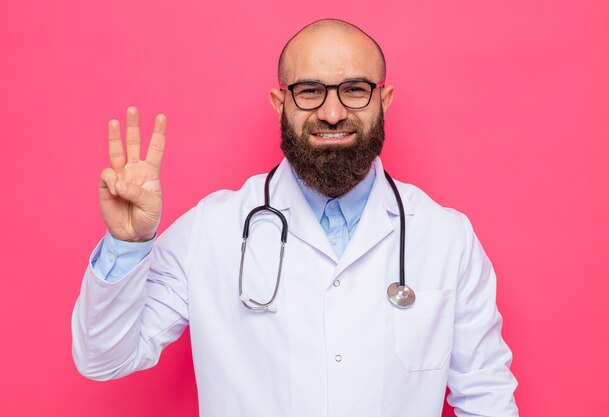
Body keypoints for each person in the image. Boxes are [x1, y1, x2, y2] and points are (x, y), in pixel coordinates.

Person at [72, 18, 519, 417]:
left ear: (384, 99)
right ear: (279, 102)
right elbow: (103, 357)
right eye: (309, 91)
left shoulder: (446, 237)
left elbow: (487, 398)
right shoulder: (210, 230)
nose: (331, 112)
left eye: (355, 89)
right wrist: (128, 246)